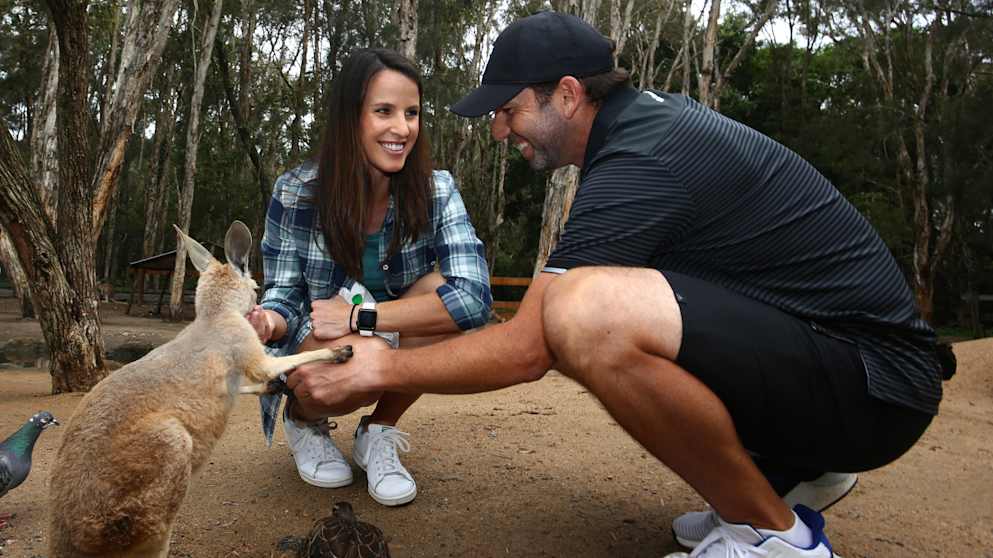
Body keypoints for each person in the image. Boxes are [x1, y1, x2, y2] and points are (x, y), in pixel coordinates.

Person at [281, 12, 945, 557]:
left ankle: (771, 536)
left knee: (585, 311)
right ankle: (779, 481)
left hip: (873, 388)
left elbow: (527, 347)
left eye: (508, 109)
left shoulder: (642, 156)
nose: (498, 128)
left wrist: (376, 369)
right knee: (598, 302)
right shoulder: (646, 130)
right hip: (850, 372)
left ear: (567, 94)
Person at [247, 48, 492, 508]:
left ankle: (378, 430)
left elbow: (474, 299)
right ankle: (304, 421)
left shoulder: (437, 189)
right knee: (363, 352)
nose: (402, 129)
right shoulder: (297, 191)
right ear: (350, 117)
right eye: (384, 111)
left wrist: (362, 316)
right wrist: (268, 323)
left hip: (374, 329)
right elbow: (284, 293)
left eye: (412, 113)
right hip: (321, 335)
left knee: (440, 302)